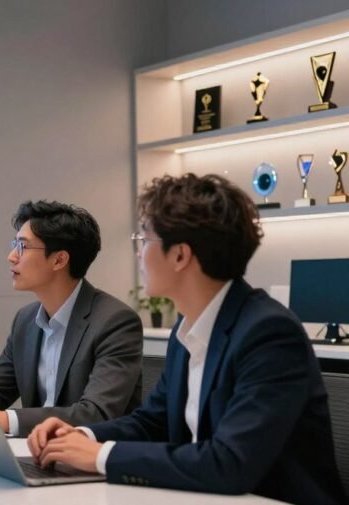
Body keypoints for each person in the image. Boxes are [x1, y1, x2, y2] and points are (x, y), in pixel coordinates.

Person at [28, 174, 345, 505]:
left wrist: (100, 456)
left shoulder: (269, 334)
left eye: (143, 240)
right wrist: (81, 436)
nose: (138, 254)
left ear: (180, 255)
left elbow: (229, 463)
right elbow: (153, 422)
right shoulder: (189, 326)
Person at [0, 200, 143, 436]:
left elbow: (96, 413)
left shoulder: (115, 321)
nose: (11, 257)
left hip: (88, 459)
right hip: (33, 450)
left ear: (59, 260)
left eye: (22, 247)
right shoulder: (25, 319)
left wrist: (7, 420)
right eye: (15, 245)